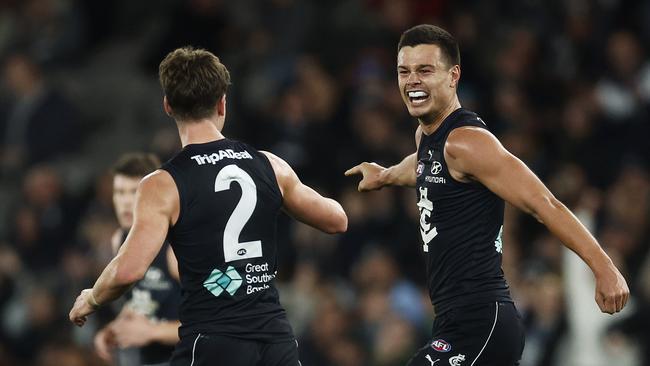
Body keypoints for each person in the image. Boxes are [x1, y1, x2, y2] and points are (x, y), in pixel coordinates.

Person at [345, 24, 629, 366]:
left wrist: (604, 267)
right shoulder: (427, 137)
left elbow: (543, 203)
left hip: (483, 321)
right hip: (453, 321)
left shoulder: (469, 142)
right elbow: (422, 164)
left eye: (425, 70)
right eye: (404, 72)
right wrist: (386, 175)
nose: (412, 81)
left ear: (453, 76)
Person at [70, 46, 348, 366]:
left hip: (214, 341)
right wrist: (271, 196)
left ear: (168, 106)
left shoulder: (162, 184)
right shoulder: (269, 166)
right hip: (276, 340)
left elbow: (129, 269)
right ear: (222, 103)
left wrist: (90, 299)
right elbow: (337, 220)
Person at [94, 153, 182, 366]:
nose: (125, 201)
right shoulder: (119, 241)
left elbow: (215, 322)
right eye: (119, 192)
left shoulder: (174, 248)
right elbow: (140, 303)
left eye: (135, 192)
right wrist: (115, 328)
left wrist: (154, 331)